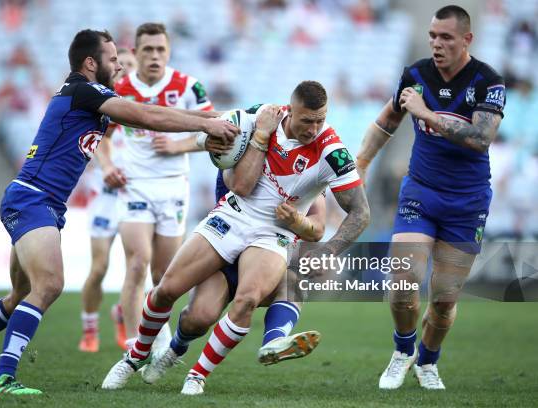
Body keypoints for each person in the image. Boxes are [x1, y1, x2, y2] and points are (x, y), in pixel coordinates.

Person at [0, 29, 238, 395]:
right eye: (112, 59)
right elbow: (145, 116)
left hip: (38, 199)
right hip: (34, 198)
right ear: (91, 63)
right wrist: (206, 124)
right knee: (49, 285)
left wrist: (232, 115)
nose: (118, 64)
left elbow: (158, 111)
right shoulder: (82, 90)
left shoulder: (88, 96)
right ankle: (4, 376)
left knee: (20, 294)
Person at [102, 81, 370, 395]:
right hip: (232, 215)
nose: (314, 129)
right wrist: (205, 140)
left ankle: (197, 376)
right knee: (170, 294)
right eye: (307, 120)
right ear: (289, 109)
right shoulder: (260, 117)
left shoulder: (332, 152)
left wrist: (330, 250)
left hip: (272, 235)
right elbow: (219, 138)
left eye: (320, 120)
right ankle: (136, 356)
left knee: (248, 299)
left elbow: (360, 213)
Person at [355, 6, 505, 390]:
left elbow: (480, 139)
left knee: (443, 300)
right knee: (403, 283)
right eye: (433, 36)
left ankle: (427, 360)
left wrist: (427, 113)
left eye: (446, 38)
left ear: (467, 40)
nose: (437, 44)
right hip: (420, 191)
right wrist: (361, 164)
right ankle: (404, 350)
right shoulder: (416, 74)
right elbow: (386, 121)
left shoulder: (489, 82)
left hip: (468, 202)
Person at [96, 23, 217, 353]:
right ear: (135, 53)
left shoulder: (189, 87)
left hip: (173, 187)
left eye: (160, 49)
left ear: (169, 52)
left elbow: (215, 132)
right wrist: (107, 167)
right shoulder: (117, 90)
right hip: (134, 186)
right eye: (147, 49)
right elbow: (101, 140)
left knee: (164, 274)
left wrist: (179, 146)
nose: (154, 55)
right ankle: (134, 346)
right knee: (137, 261)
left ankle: (158, 334)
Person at [139, 178, 326, 386]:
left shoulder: (312, 168)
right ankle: (175, 348)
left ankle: (273, 341)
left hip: (268, 251)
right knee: (198, 318)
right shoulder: (250, 151)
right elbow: (238, 183)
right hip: (226, 247)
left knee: (294, 282)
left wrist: (301, 225)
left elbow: (318, 225)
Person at [79, 48, 136, 353]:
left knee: (135, 268)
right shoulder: (102, 106)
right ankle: (90, 329)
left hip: (134, 197)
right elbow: (96, 143)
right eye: (120, 65)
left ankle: (121, 316)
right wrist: (106, 165)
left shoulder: (141, 108)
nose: (124, 71)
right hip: (104, 197)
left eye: (129, 67)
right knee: (99, 267)